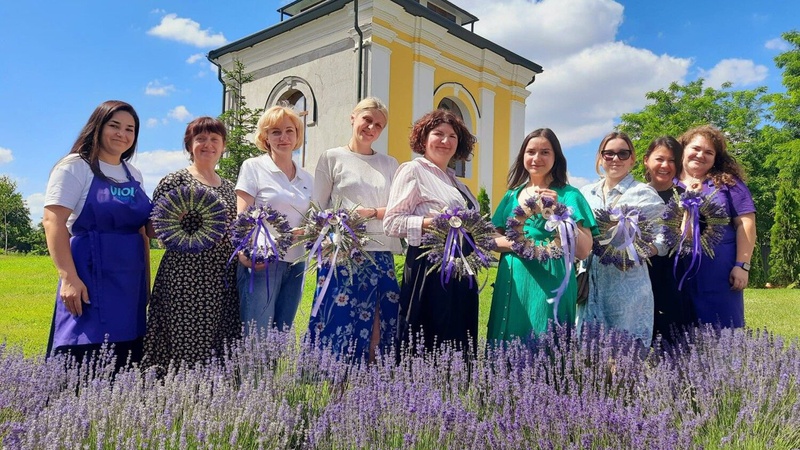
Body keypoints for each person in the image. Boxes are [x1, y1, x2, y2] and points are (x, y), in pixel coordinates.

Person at [43, 100, 151, 371]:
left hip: (129, 283)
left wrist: (145, 283)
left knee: (126, 359)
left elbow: (142, 231)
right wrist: (68, 278)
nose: (122, 134)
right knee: (84, 357)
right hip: (89, 277)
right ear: (97, 126)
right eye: (114, 126)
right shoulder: (75, 166)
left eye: (130, 129)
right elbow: (52, 221)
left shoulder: (134, 174)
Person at [307, 97, 402, 361]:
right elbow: (318, 209)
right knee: (338, 320)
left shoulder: (390, 164)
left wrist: (367, 213)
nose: (372, 127)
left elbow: (396, 210)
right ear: (353, 118)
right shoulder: (331, 158)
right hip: (342, 253)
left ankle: (370, 384)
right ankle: (334, 382)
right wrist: (333, 228)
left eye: (379, 125)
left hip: (380, 251)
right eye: (367, 120)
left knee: (377, 322)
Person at [143, 117, 240, 371]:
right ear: (189, 145)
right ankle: (176, 395)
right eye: (201, 139)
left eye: (214, 139)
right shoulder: (175, 181)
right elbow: (151, 229)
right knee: (183, 338)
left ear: (223, 145)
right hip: (185, 277)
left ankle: (214, 400)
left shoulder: (230, 187)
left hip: (223, 278)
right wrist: (177, 217)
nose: (208, 145)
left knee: (220, 343)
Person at [384, 109, 479, 355]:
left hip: (462, 269)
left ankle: (456, 388)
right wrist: (430, 223)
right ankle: (420, 391)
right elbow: (392, 222)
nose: (445, 141)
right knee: (428, 337)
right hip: (429, 269)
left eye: (452, 136)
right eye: (438, 134)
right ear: (424, 139)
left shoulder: (459, 185)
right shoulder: (413, 171)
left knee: (458, 336)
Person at [488, 128, 596, 342]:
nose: (537, 158)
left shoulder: (570, 195)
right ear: (523, 156)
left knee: (547, 343)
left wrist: (561, 213)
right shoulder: (512, 195)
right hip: (513, 279)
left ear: (556, 158)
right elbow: (490, 240)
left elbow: (583, 251)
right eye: (531, 152)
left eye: (545, 152)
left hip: (553, 279)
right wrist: (518, 243)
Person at [578, 131, 666, 347]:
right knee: (589, 357)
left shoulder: (643, 193)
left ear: (632, 158)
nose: (615, 159)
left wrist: (639, 251)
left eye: (622, 153)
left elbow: (665, 235)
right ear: (600, 158)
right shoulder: (585, 193)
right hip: (591, 284)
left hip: (628, 288)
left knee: (626, 356)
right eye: (608, 154)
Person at [235, 105, 313, 332]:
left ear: (298, 135)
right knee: (257, 335)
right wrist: (243, 252)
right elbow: (243, 216)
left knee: (281, 334)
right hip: (262, 263)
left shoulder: (307, 177)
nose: (283, 137)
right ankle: (250, 370)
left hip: (296, 264)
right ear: (265, 136)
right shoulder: (254, 167)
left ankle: (273, 370)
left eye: (289, 131)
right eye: (275, 131)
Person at [676, 125, 756, 328]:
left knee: (724, 334)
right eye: (695, 148)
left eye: (708, 152)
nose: (700, 155)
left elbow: (745, 224)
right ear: (683, 149)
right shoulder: (668, 183)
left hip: (720, 274)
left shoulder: (728, 184)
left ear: (715, 158)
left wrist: (742, 266)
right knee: (678, 339)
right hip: (676, 273)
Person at [642, 136, 694, 344]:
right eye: (659, 159)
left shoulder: (688, 197)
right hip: (643, 278)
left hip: (677, 278)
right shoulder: (635, 196)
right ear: (646, 160)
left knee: (676, 343)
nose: (665, 165)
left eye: (672, 160)